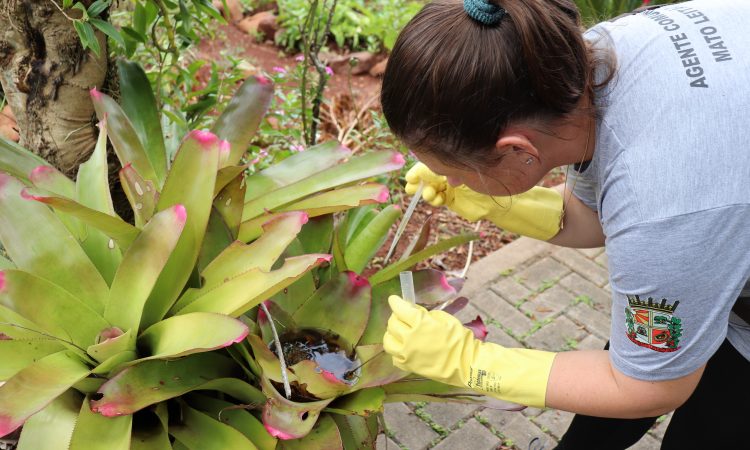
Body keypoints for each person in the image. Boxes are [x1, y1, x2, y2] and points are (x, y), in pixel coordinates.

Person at [379, 0, 750, 448]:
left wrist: (471, 363)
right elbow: (597, 220)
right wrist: (492, 201)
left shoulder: (663, 202)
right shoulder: (584, 63)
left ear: (519, 150)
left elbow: (649, 388)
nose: (448, 180)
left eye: (456, 171)